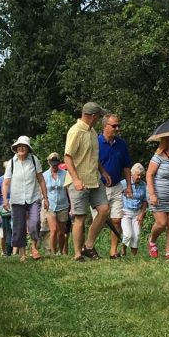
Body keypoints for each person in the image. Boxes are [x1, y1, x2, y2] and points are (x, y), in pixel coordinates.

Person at [64, 101, 113, 261]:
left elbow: (93, 156)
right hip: (79, 181)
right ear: (92, 116)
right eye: (99, 116)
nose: (99, 119)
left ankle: (88, 245)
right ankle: (78, 254)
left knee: (104, 210)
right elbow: (68, 157)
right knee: (80, 217)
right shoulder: (75, 131)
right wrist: (76, 180)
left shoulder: (92, 132)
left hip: (94, 179)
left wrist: (103, 171)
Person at [1, 136, 49, 261]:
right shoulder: (12, 162)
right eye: (19, 146)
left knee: (35, 223)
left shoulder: (34, 160)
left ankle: (33, 247)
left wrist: (46, 198)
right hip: (17, 199)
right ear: (16, 148)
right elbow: (6, 183)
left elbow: (41, 180)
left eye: (24, 146)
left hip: (33, 197)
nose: (21, 148)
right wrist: (5, 199)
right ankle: (22, 253)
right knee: (19, 226)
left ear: (28, 148)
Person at [97, 113, 132, 258]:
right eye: (114, 126)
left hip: (117, 186)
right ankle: (89, 247)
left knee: (117, 219)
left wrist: (129, 185)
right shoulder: (95, 142)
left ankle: (113, 250)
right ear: (105, 126)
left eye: (119, 125)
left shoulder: (121, 144)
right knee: (97, 222)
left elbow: (126, 167)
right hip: (99, 187)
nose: (117, 128)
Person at [43, 152, 70, 255]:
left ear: (58, 162)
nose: (54, 165)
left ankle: (61, 251)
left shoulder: (65, 174)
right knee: (53, 230)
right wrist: (44, 200)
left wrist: (71, 207)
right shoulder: (44, 175)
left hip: (63, 205)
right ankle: (53, 253)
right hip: (50, 205)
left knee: (62, 232)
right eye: (52, 162)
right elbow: (42, 190)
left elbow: (68, 190)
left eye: (55, 162)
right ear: (49, 162)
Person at [121, 162, 148, 256]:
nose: (139, 177)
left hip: (137, 213)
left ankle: (134, 256)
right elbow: (116, 197)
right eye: (138, 175)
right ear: (132, 174)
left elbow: (145, 200)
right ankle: (123, 250)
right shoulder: (124, 183)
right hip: (125, 212)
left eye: (141, 175)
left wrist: (142, 214)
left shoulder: (143, 185)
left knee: (136, 235)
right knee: (127, 234)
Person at [0, 164, 13, 256]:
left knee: (13, 229)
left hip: (14, 208)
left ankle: (14, 252)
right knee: (2, 231)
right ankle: (3, 251)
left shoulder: (16, 180)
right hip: (2, 210)